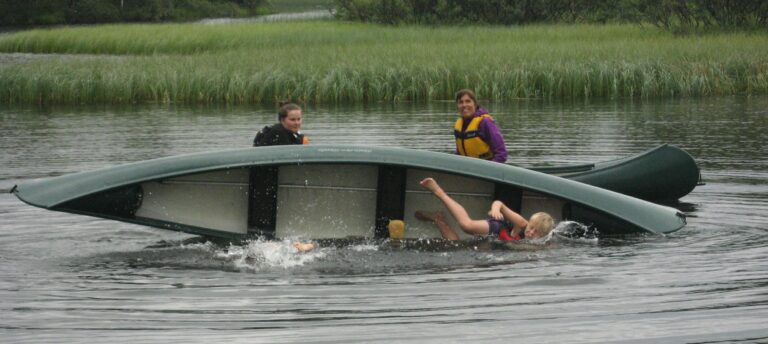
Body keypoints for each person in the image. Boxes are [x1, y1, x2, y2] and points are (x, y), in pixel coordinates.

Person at [415, 178, 554, 242]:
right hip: (499, 228)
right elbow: (500, 204)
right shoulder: (522, 224)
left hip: (496, 244)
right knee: (466, 225)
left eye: (537, 232)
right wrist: (495, 210)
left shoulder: (539, 246)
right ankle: (438, 191)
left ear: (543, 236)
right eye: (532, 227)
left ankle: (437, 219)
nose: (531, 232)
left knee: (454, 245)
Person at [453, 89, 508, 163]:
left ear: (475, 104)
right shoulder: (458, 125)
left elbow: (501, 154)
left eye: (468, 101)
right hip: (467, 168)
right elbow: (459, 153)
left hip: (486, 168)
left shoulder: (485, 122)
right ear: (457, 106)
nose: (464, 105)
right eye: (460, 102)